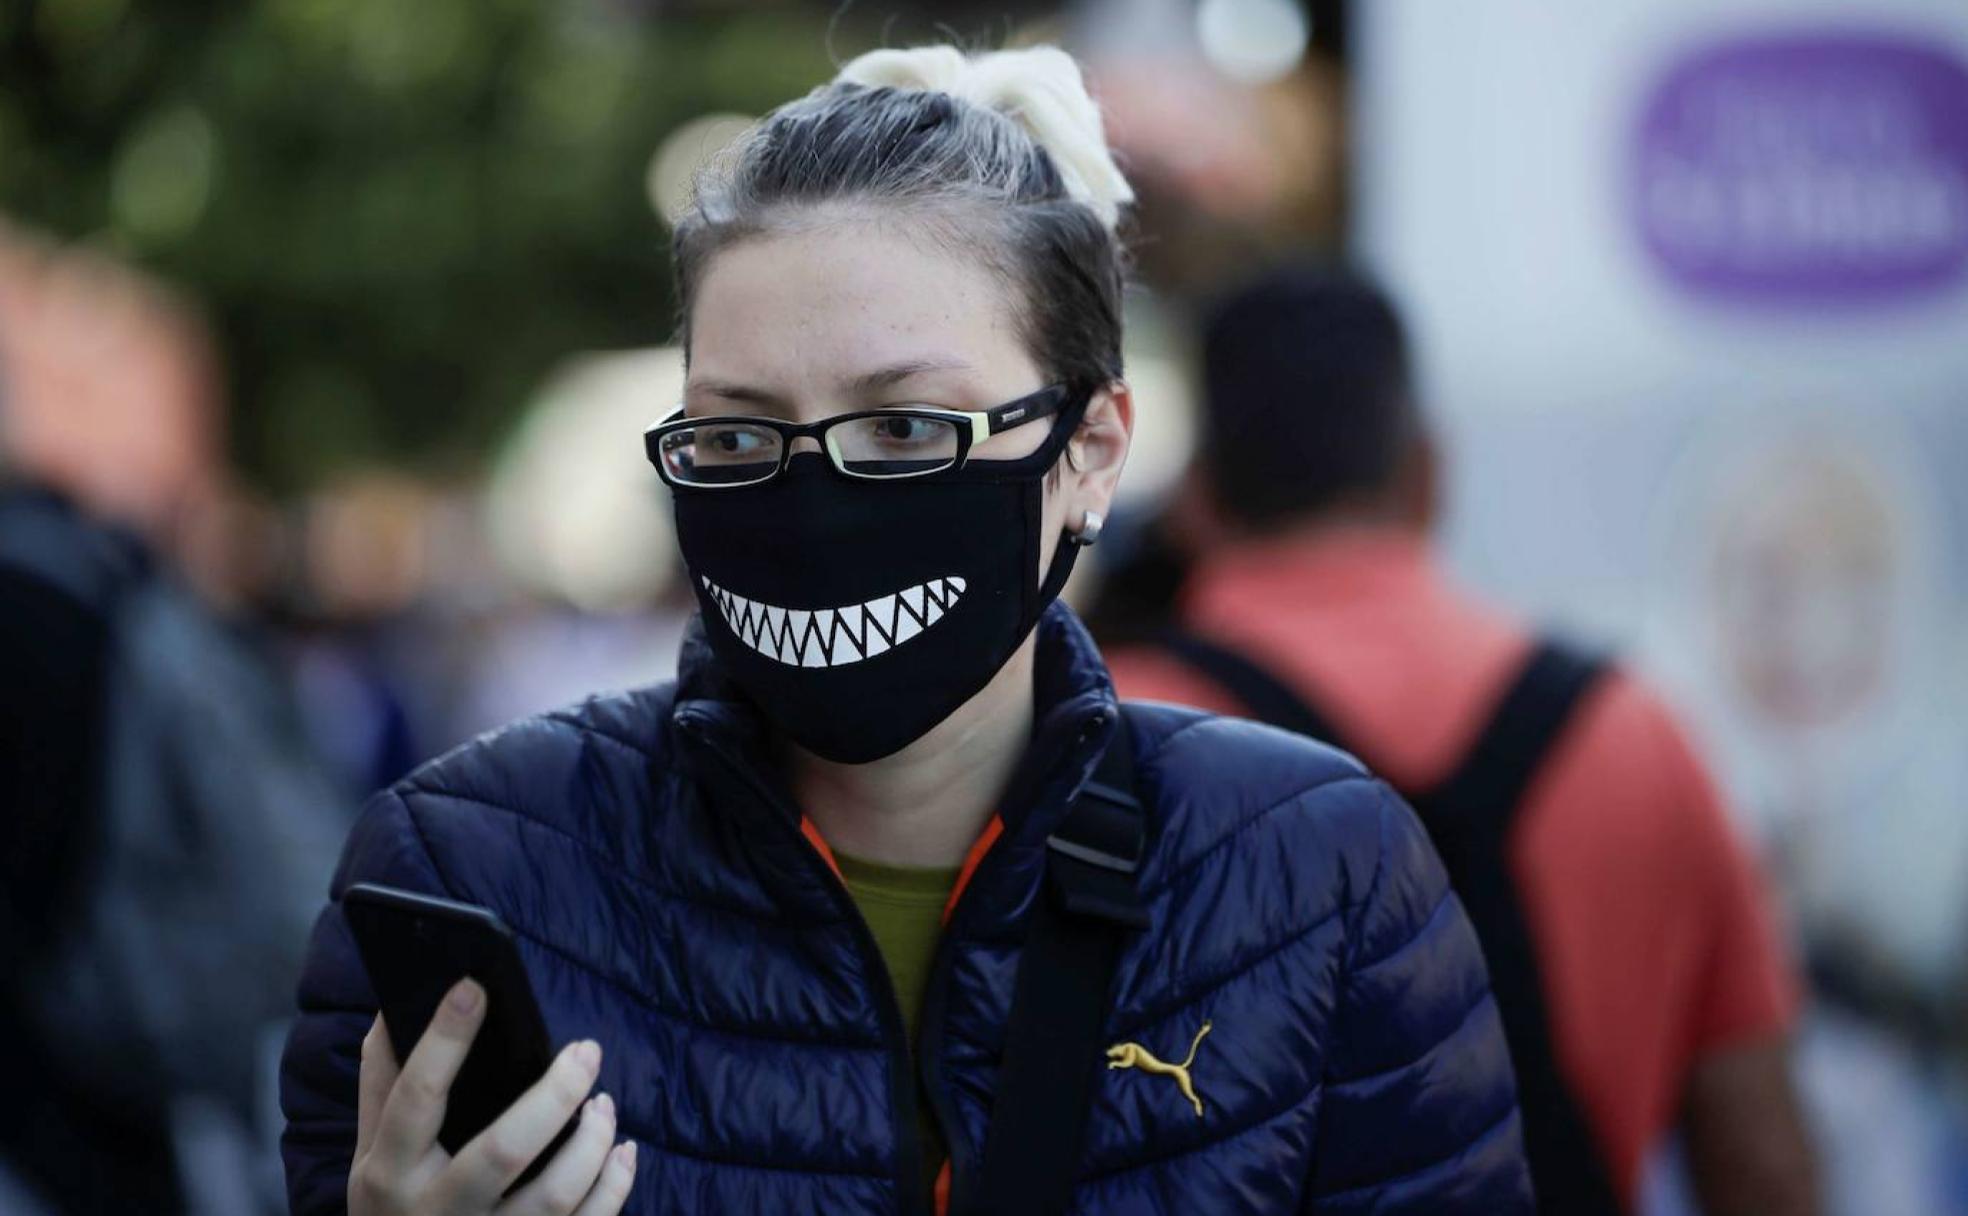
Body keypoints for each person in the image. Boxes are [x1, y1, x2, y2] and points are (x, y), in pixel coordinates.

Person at [279, 47, 1531, 1216]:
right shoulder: (465, 876)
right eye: (738, 434)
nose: (814, 501)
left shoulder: (1323, 884)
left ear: (1089, 453)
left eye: (906, 429)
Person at [1100, 264, 1817, 1215]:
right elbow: (1762, 1158)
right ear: (1429, 474)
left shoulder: (1111, 740)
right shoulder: (1636, 735)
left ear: (1193, 500)